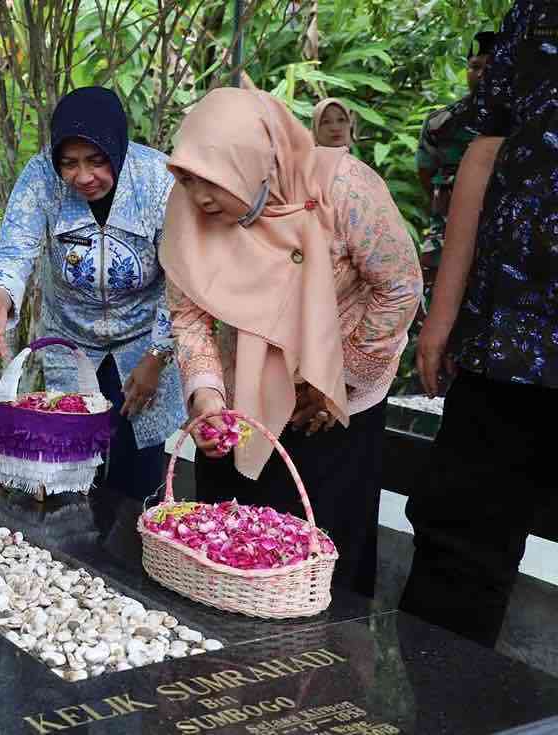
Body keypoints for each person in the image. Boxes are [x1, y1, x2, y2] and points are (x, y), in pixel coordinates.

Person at [160, 88, 422, 597]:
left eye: (211, 182)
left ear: (254, 162)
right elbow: (188, 313)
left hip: (333, 411)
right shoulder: (191, 209)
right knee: (226, 556)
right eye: (187, 181)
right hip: (243, 409)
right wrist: (208, 398)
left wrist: (337, 380)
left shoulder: (342, 191)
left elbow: (399, 287)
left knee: (323, 566)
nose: (198, 199)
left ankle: (323, 675)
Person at [399, 0, 558, 648]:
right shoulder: (537, 13)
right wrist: (441, 317)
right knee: (455, 551)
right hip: (510, 338)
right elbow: (486, 148)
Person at [0, 86, 186, 501]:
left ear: (117, 149)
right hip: (71, 337)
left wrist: (156, 357)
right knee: (69, 464)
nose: (83, 176)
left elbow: (180, 280)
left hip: (146, 337)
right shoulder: (40, 179)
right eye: (69, 164)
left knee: (138, 465)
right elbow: (15, 245)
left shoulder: (158, 180)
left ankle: (129, 552)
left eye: (96, 160)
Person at [415, 31, 496, 290]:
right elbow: (426, 175)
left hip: (500, 236)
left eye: (491, 66)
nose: (482, 73)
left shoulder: (523, 121)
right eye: (475, 66)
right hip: (446, 236)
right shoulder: (442, 122)